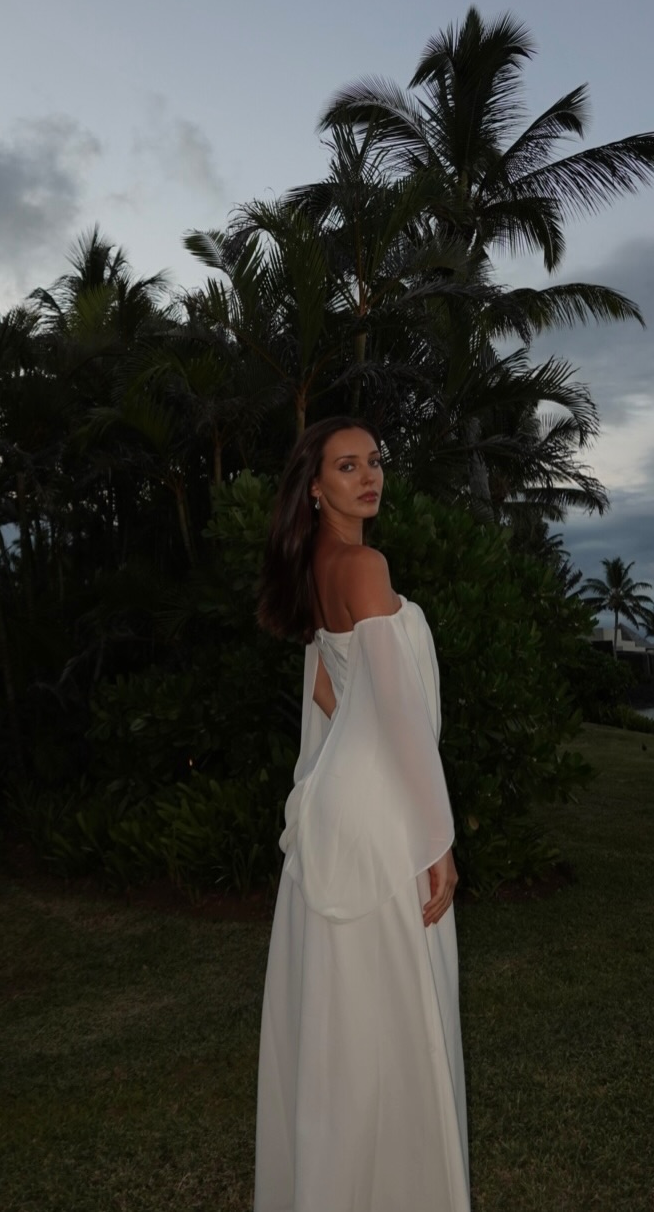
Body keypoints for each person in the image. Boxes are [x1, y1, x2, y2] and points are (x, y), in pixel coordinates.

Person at [253, 416, 470, 1212]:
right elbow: (400, 717)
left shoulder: (315, 566)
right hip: (381, 816)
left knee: (344, 1020)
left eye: (374, 461)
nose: (369, 475)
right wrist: (435, 839)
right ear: (315, 487)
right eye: (347, 466)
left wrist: (350, 756)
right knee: (395, 1015)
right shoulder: (364, 566)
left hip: (340, 806)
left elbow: (326, 688)